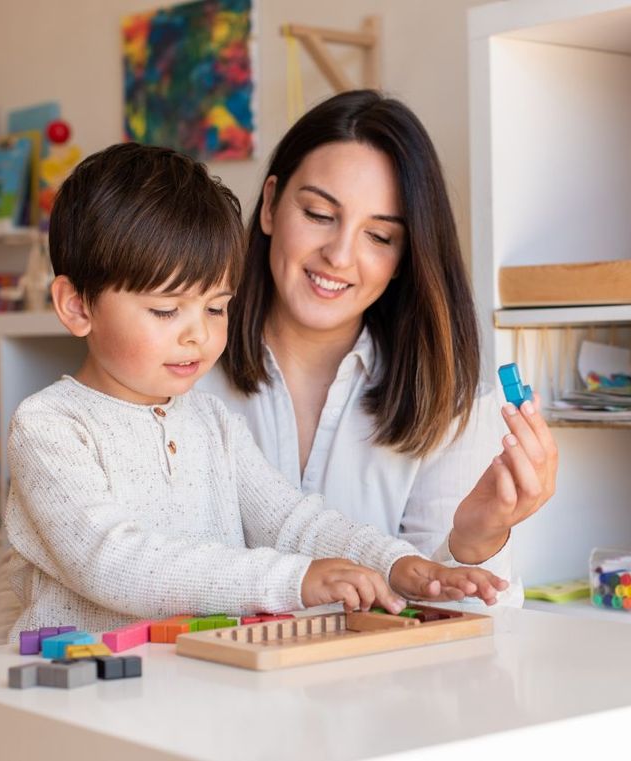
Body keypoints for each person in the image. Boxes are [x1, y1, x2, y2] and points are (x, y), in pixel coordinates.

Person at [0, 142, 506, 644]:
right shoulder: (51, 425)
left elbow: (291, 520)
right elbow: (113, 562)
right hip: (76, 696)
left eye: (216, 308)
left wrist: (392, 562)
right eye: (166, 310)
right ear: (76, 306)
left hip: (194, 681)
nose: (198, 334)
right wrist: (292, 580)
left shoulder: (211, 421)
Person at [199, 90, 558, 605]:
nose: (339, 255)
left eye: (380, 237)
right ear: (272, 204)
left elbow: (462, 646)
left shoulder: (448, 403)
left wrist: (476, 542)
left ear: (404, 257)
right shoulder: (181, 369)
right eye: (320, 213)